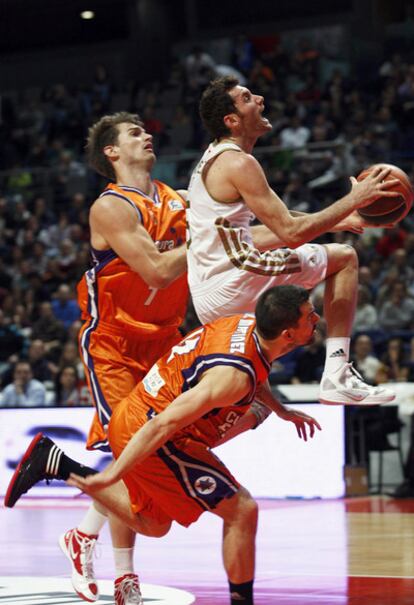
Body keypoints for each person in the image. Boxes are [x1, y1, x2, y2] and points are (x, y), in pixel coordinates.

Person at [5, 285, 322, 605]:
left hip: (148, 419)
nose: (318, 319)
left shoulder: (247, 326)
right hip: (154, 432)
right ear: (288, 334)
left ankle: (57, 463)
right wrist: (113, 473)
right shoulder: (231, 379)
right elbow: (163, 424)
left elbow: (257, 369)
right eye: (310, 317)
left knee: (155, 525)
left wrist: (281, 410)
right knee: (242, 510)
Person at [186, 75, 398, 406]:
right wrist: (356, 199)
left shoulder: (213, 159)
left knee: (243, 397)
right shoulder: (239, 162)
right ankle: (336, 375)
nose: (259, 99)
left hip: (207, 294)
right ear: (231, 120)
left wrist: (338, 218)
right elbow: (291, 234)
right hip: (234, 280)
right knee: (344, 258)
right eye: (246, 98)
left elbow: (260, 232)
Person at [60, 112, 188, 604]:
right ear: (111, 153)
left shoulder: (177, 200)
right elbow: (156, 272)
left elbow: (239, 220)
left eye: (145, 130)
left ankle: (83, 535)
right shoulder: (109, 207)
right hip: (113, 344)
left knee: (140, 455)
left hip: (165, 341)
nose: (147, 135)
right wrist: (205, 240)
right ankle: (123, 574)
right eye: (133, 133)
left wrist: (320, 224)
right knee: (129, 450)